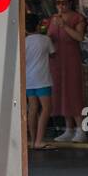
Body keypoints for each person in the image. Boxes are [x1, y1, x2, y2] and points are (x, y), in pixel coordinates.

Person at [48, 0, 88, 142]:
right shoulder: (52, 19)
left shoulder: (78, 18)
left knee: (73, 92)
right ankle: (68, 128)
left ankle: (81, 129)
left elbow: (79, 37)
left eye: (64, 2)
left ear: (70, 3)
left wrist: (64, 26)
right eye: (58, 2)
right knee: (61, 92)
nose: (61, 6)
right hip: (56, 61)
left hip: (71, 60)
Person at [25, 13, 54, 149]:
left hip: (28, 79)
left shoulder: (24, 41)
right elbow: (53, 53)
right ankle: (39, 140)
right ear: (38, 25)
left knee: (32, 108)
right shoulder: (45, 40)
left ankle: (32, 140)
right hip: (42, 79)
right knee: (46, 108)